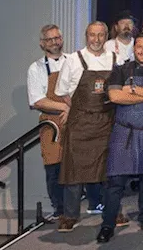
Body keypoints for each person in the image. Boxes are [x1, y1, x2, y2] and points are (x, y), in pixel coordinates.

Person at [97, 34, 143, 243]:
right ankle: (107, 224)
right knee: (115, 181)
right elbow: (114, 97)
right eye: (139, 47)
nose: (142, 50)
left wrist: (132, 89)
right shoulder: (120, 70)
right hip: (124, 132)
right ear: (134, 48)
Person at [55, 22, 118, 232]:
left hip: (107, 123)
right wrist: (84, 110)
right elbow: (63, 91)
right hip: (80, 123)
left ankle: (113, 211)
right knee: (73, 170)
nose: (97, 39)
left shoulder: (115, 59)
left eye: (101, 35)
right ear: (86, 36)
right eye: (93, 35)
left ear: (107, 36)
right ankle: (70, 215)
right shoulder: (73, 60)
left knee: (109, 171)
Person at [27, 24, 69, 219]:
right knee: (53, 167)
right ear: (42, 44)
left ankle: (77, 206)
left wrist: (72, 109)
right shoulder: (35, 68)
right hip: (50, 124)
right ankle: (59, 209)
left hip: (74, 120)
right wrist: (64, 107)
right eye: (50, 39)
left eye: (57, 38)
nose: (55, 42)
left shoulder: (73, 61)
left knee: (76, 165)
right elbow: (37, 100)